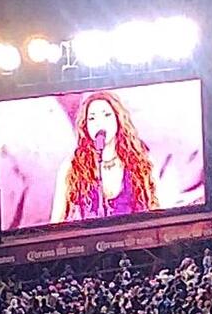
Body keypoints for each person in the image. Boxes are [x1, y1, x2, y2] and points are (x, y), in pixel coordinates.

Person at [51, 91, 158, 222]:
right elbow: (56, 222)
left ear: (118, 120)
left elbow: (157, 210)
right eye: (92, 118)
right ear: (85, 126)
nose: (99, 123)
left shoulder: (142, 162)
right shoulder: (71, 166)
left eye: (106, 115)